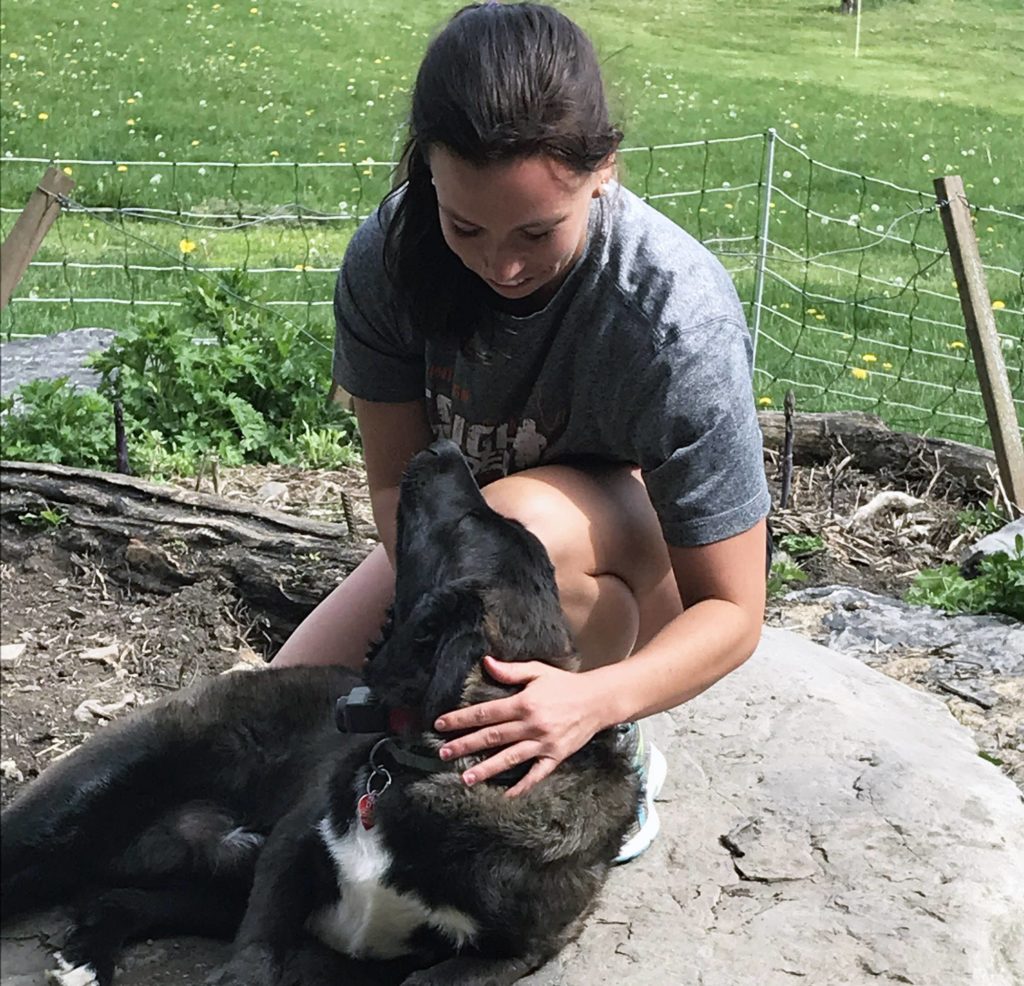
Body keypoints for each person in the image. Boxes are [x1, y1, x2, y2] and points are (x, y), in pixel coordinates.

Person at [272, 0, 771, 862]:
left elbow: (733, 610)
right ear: (428, 170)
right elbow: (397, 493)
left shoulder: (674, 318)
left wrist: (597, 701)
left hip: (640, 582)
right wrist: (409, 672)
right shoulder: (387, 260)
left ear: (603, 169)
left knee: (511, 521)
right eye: (465, 226)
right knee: (284, 726)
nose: (501, 265)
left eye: (538, 232)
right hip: (480, 553)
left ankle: (609, 757)